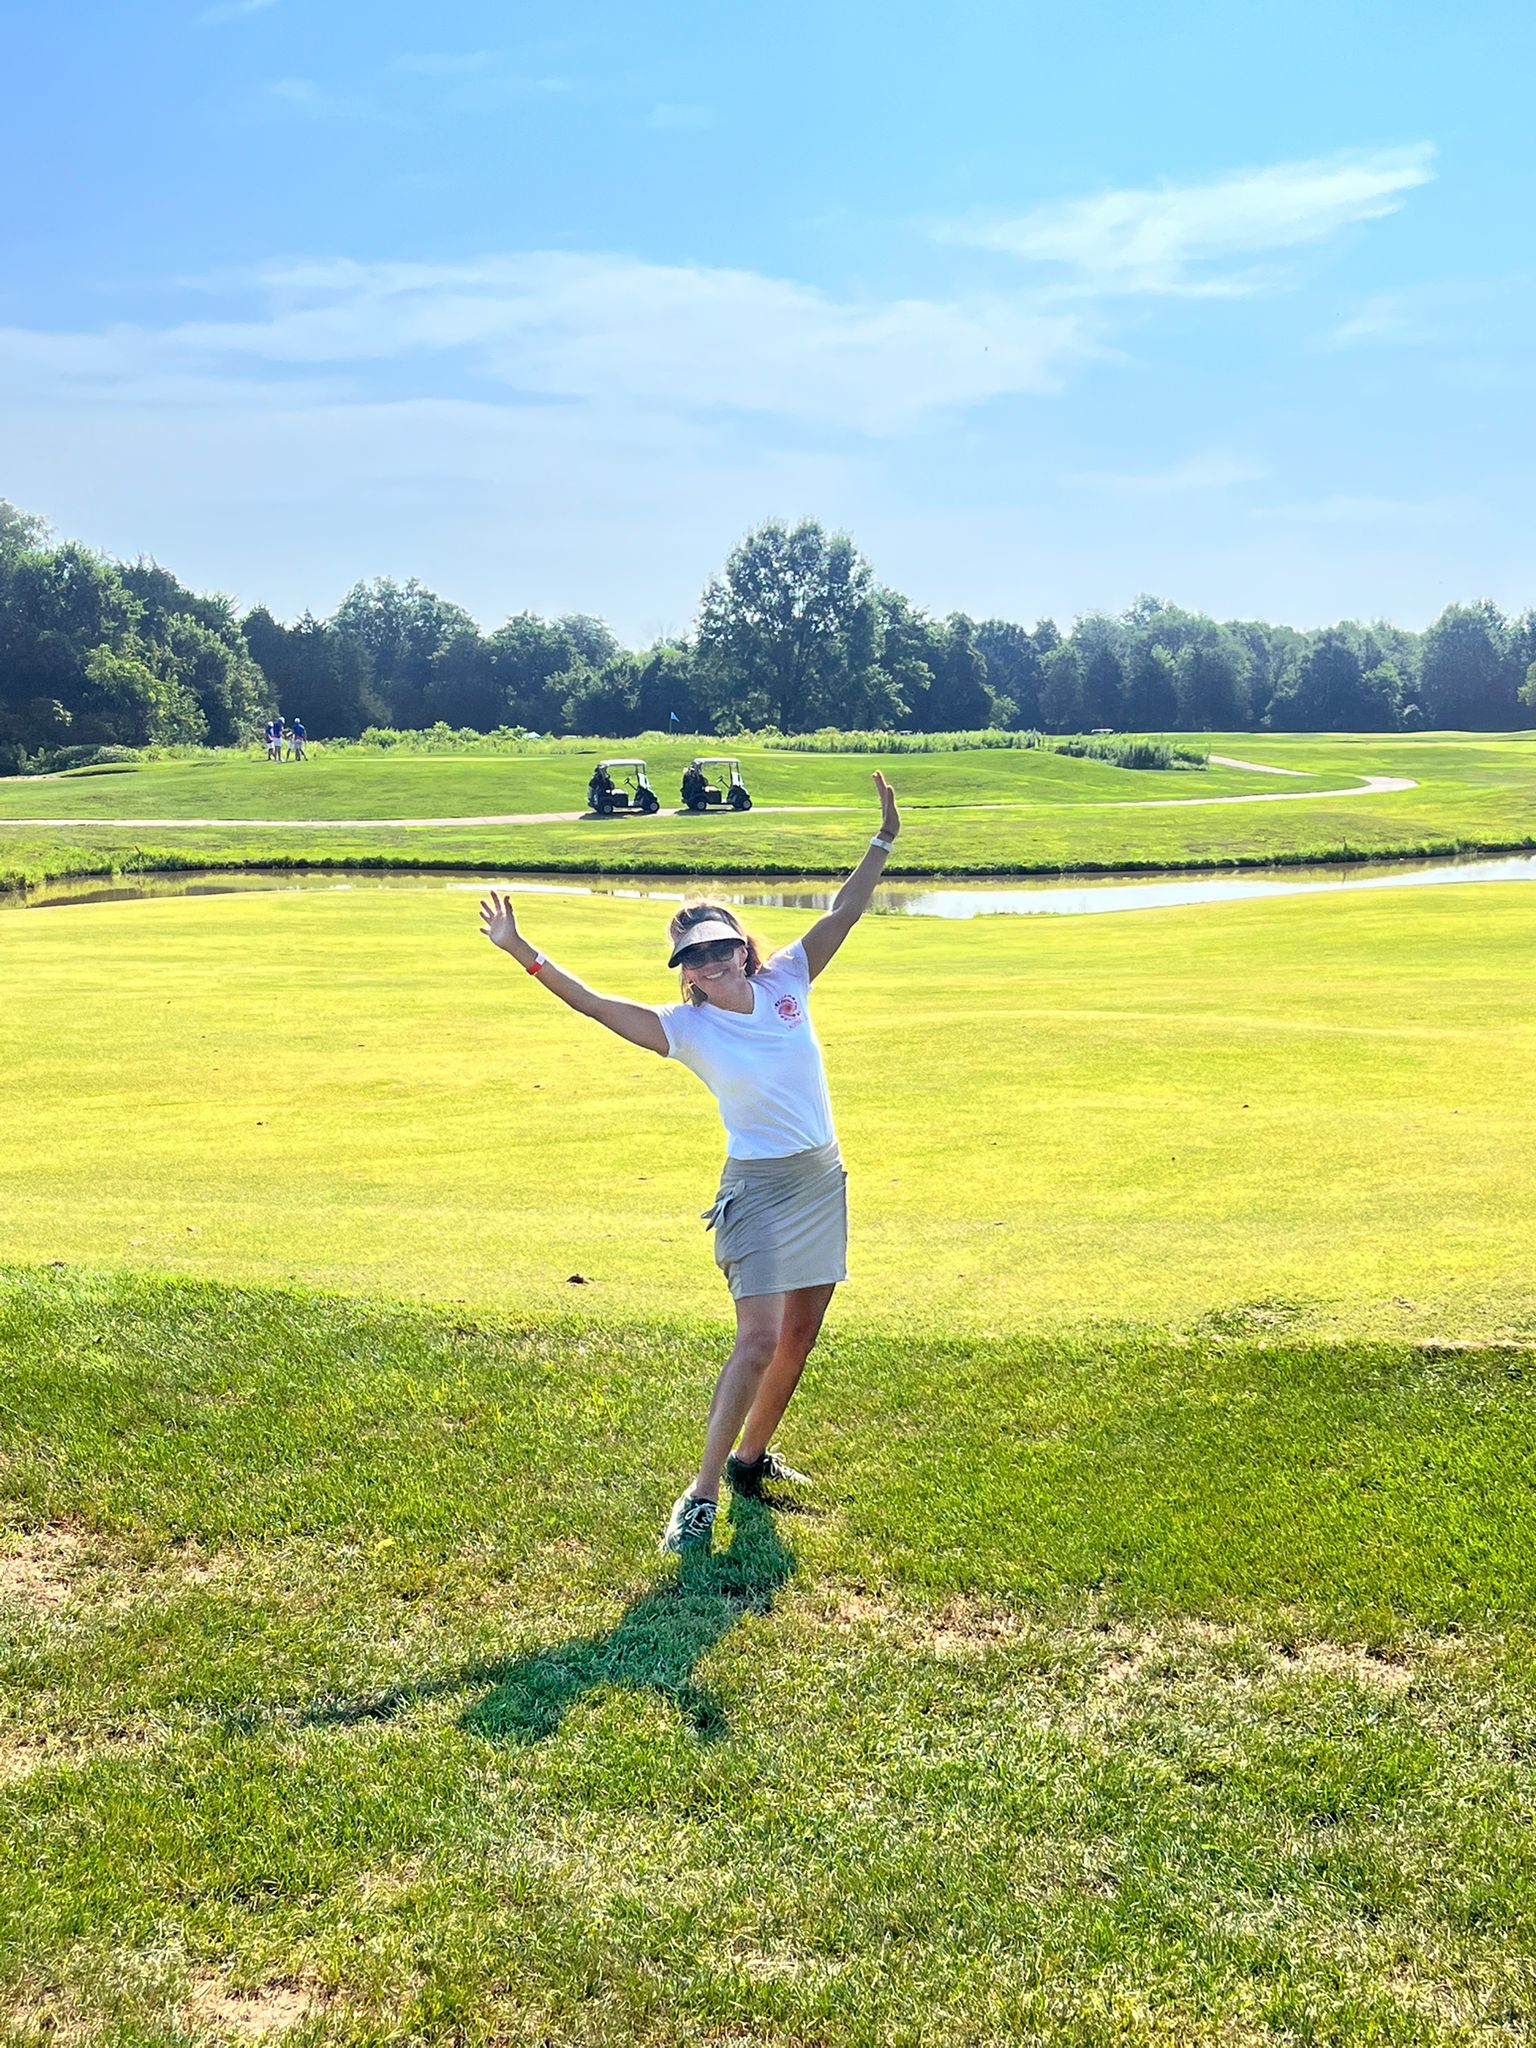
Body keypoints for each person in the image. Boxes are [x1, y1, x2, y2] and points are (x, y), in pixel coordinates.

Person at [479, 772, 901, 1554]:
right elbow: (596, 1004)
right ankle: (700, 1495)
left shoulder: (788, 979)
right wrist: (522, 952)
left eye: (719, 946)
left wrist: (882, 839)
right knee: (758, 1340)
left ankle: (750, 1461)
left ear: (742, 946)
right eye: (694, 956)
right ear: (685, 969)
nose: (711, 961)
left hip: (821, 1177)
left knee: (801, 1334)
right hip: (759, 1190)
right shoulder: (686, 1027)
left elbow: (844, 909)